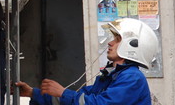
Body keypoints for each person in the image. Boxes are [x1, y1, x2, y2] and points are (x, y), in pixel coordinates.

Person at [15, 18, 159, 105]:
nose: (110, 43)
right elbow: (78, 99)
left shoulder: (132, 78)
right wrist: (33, 93)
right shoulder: (112, 77)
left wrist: (63, 92)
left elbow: (100, 104)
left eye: (117, 40)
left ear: (132, 45)